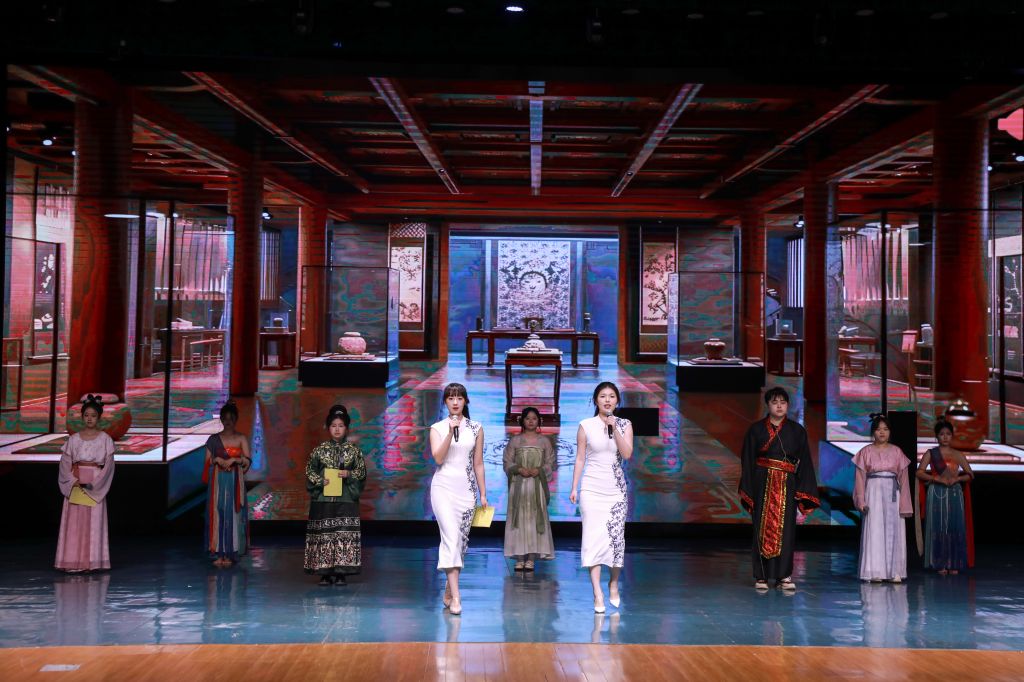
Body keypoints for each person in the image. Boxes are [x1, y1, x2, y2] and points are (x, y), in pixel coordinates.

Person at [738, 386, 820, 591]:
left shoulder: (797, 431)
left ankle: (784, 575)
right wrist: (749, 487)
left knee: (786, 530)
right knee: (760, 527)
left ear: (788, 405)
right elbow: (747, 459)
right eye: (774, 402)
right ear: (768, 405)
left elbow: (805, 462)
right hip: (762, 482)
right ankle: (761, 576)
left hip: (786, 484)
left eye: (783, 402)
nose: (779, 406)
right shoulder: (756, 430)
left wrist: (802, 490)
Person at [569, 381, 634, 613]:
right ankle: (597, 592)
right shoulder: (585, 425)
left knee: (616, 539)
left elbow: (627, 454)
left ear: (617, 401)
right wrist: (574, 487)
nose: (607, 400)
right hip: (591, 489)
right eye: (603, 396)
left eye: (612, 396)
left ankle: (613, 583)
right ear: (595, 400)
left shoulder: (625, 424)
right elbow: (580, 459)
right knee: (593, 539)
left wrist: (614, 427)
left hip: (615, 490)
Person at [429, 383, 487, 616]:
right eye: (451, 398)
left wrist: (483, 493)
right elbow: (438, 458)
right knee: (451, 539)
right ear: (445, 402)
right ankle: (456, 597)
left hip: (467, 490)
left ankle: (449, 588)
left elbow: (478, 463)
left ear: (465, 401)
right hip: (443, 488)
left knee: (460, 544)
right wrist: (449, 433)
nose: (455, 402)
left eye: (459, 398)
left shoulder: (476, 428)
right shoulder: (437, 428)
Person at [303, 404, 367, 585]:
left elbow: (361, 473)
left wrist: (349, 474)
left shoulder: (354, 451)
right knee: (324, 534)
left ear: (346, 428)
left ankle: (341, 572)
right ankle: (324, 572)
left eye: (340, 426)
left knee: (343, 533)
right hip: (324, 499)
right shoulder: (319, 450)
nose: (337, 429)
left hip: (345, 499)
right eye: (333, 426)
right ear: (328, 427)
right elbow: (309, 470)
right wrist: (319, 480)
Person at [55, 395, 116, 572]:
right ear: (82, 417)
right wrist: (72, 481)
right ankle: (72, 562)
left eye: (93, 415)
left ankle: (92, 562)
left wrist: (95, 484)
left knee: (93, 523)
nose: (90, 419)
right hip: (76, 483)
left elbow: (109, 467)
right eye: (86, 415)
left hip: (95, 483)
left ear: (99, 418)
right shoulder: (73, 439)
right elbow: (65, 464)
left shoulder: (105, 439)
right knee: (75, 523)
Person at [853, 413, 912, 582]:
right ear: (873, 431)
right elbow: (859, 480)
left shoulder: (897, 451)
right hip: (873, 491)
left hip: (892, 492)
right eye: (878, 429)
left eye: (885, 429)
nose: (882, 432)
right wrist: (861, 501)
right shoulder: (865, 452)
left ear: (890, 432)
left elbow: (904, 480)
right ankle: (874, 571)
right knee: (875, 528)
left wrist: (905, 505)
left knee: (894, 530)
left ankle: (895, 572)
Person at [915, 419, 974, 575]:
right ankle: (939, 562)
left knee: (955, 527)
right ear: (937, 436)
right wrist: (935, 478)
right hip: (936, 493)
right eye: (942, 434)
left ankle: (954, 562)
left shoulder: (958, 454)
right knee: (938, 526)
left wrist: (958, 479)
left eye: (948, 434)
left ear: (952, 436)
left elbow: (970, 474)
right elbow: (919, 472)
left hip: (954, 493)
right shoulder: (931, 453)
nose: (945, 437)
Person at [503, 406, 556, 570]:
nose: (531, 421)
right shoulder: (515, 440)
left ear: (539, 421)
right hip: (519, 486)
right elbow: (507, 461)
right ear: (522, 421)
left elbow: (551, 462)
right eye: (527, 418)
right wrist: (518, 469)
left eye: (534, 418)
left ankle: (531, 558)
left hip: (536, 485)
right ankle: (519, 557)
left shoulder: (544, 441)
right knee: (518, 519)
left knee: (534, 519)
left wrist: (540, 470)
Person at [202, 400, 251, 567]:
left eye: (231, 418)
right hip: (218, 481)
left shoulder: (241, 438)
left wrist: (235, 460)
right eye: (225, 418)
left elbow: (248, 461)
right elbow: (207, 462)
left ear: (236, 419)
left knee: (233, 514)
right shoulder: (213, 439)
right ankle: (218, 552)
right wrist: (216, 459)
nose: (228, 421)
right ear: (221, 419)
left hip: (234, 481)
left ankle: (230, 553)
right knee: (218, 513)